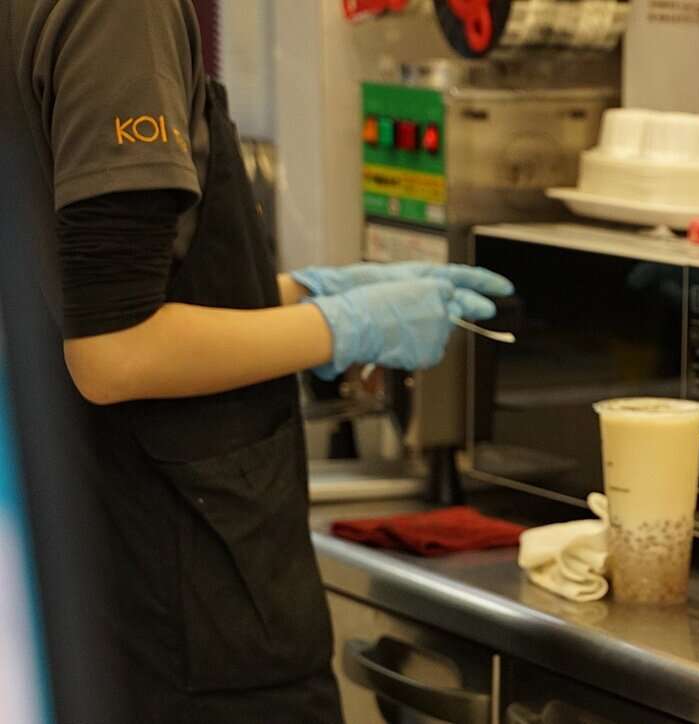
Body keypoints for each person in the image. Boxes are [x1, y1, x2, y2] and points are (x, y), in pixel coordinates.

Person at [0, 1, 512, 722]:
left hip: (103, 587)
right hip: (186, 607)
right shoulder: (120, 13)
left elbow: (99, 291)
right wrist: (340, 326)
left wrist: (301, 297)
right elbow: (111, 351)